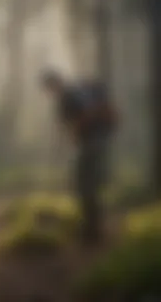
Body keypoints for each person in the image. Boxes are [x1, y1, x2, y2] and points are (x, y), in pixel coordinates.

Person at [41, 69, 119, 245]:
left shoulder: (68, 97)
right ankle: (94, 227)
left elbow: (77, 122)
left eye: (48, 87)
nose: (48, 92)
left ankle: (92, 230)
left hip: (91, 143)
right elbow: (71, 125)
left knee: (84, 185)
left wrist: (74, 133)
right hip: (98, 141)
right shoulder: (75, 92)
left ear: (53, 84)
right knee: (88, 184)